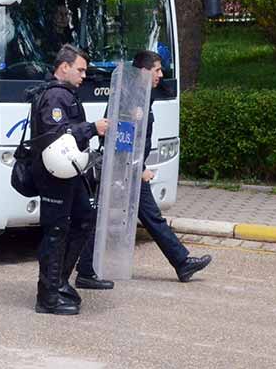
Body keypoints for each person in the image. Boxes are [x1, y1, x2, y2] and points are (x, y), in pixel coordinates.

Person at [73, 51, 212, 287]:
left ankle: (182, 262)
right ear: (144, 71)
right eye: (156, 69)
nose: (161, 74)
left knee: (145, 217)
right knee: (103, 218)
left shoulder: (141, 96)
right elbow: (121, 142)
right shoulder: (129, 99)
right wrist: (139, 170)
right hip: (123, 173)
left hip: (130, 172)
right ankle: (85, 270)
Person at [29, 44, 108, 315]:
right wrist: (92, 129)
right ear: (64, 67)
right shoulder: (55, 97)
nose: (84, 75)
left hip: (69, 173)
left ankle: (59, 281)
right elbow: (56, 134)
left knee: (84, 218)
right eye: (80, 69)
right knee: (55, 231)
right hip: (54, 175)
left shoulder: (65, 95)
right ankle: (48, 296)